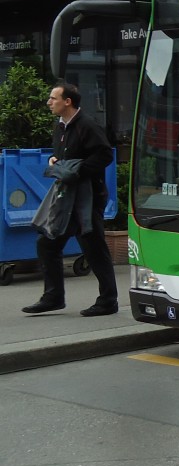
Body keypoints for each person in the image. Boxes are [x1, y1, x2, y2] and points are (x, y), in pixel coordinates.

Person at [22, 83, 119, 317]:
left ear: (68, 102)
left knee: (93, 247)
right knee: (47, 243)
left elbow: (104, 154)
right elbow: (65, 155)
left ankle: (108, 301)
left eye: (53, 98)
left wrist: (77, 170)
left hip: (88, 198)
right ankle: (53, 297)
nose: (49, 102)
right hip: (67, 197)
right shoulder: (61, 126)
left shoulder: (87, 124)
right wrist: (57, 162)